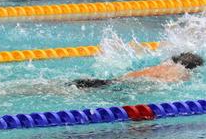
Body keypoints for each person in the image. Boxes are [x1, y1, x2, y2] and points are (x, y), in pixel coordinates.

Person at [72, 52, 203, 89]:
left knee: (98, 84)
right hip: (137, 85)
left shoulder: (164, 65)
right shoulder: (183, 72)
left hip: (124, 79)